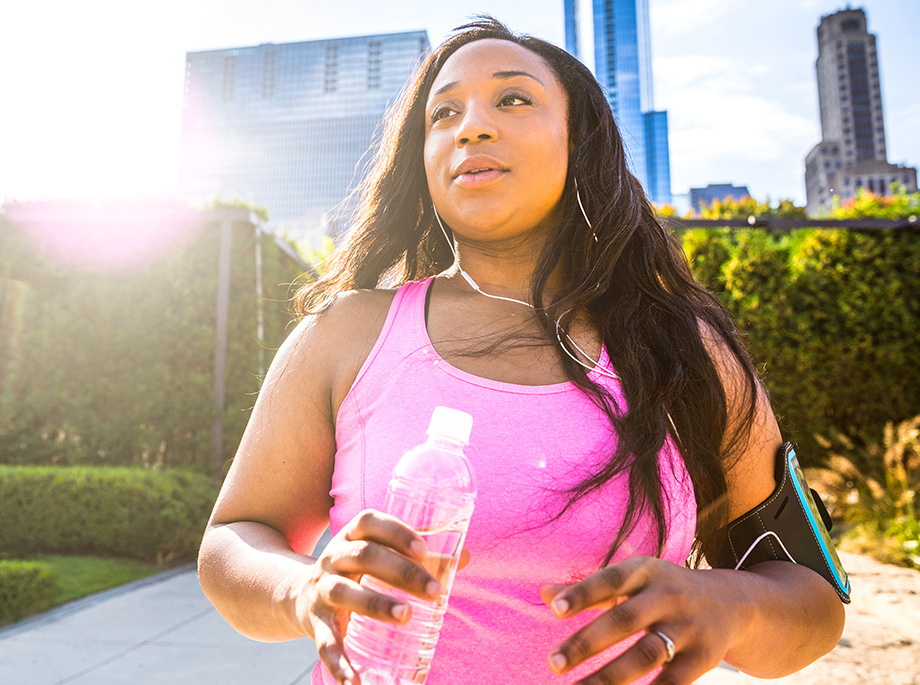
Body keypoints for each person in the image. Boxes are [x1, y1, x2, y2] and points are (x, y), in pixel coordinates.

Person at [198, 17, 845, 685]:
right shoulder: (346, 335)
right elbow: (233, 538)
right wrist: (299, 589)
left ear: (580, 141)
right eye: (443, 112)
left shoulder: (682, 353)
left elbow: (815, 603)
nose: (470, 126)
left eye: (512, 99)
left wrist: (728, 604)